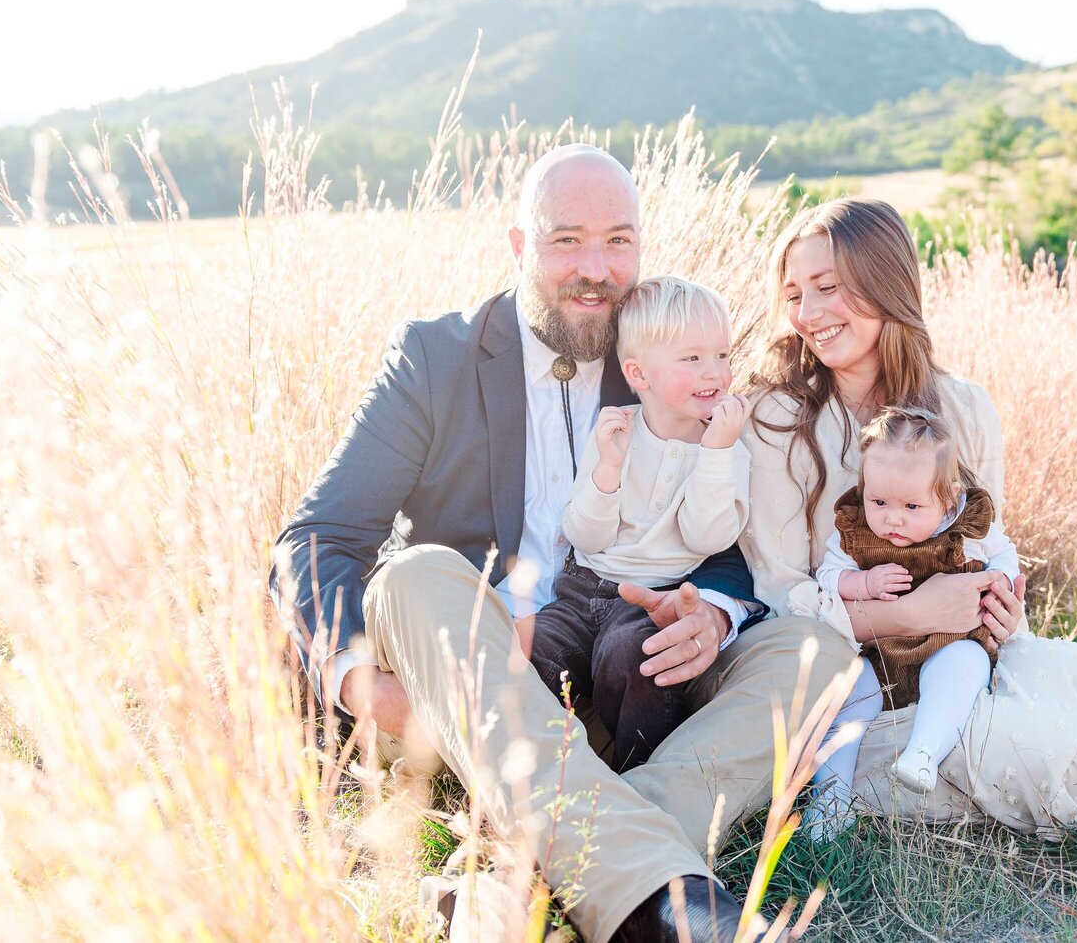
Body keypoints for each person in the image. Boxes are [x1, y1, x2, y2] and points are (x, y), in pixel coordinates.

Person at [269, 144, 853, 943]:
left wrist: (713, 615)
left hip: (631, 677)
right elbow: (320, 535)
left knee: (815, 651)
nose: (596, 269)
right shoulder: (435, 357)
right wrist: (356, 681)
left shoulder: (661, 352)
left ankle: (525, 873)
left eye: (619, 240)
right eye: (566, 239)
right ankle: (670, 908)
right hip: (484, 692)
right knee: (411, 576)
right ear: (518, 246)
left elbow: (718, 534)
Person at [741, 196, 1077, 840]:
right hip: (848, 690)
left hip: (952, 667)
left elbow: (982, 551)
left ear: (887, 284)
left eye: (828, 288)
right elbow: (776, 599)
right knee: (1038, 752)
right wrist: (906, 614)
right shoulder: (774, 418)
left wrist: (1000, 611)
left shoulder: (963, 409)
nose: (808, 314)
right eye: (795, 294)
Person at [528, 276, 752, 771]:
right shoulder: (615, 430)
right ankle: (537, 776)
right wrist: (608, 471)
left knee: (638, 657)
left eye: (721, 354)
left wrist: (714, 454)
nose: (713, 371)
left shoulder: (728, 447)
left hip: (654, 598)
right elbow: (586, 536)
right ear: (639, 374)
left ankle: (637, 782)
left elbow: (707, 538)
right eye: (691, 359)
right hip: (579, 590)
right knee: (533, 651)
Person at [803, 405, 1018, 837]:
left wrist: (1003, 585)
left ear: (949, 498)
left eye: (912, 505)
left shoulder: (969, 526)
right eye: (878, 501)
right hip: (879, 656)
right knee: (848, 686)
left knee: (965, 659)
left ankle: (923, 751)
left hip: (947, 645)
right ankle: (831, 796)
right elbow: (825, 575)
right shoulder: (854, 532)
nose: (892, 518)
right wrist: (859, 582)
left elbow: (1005, 554)